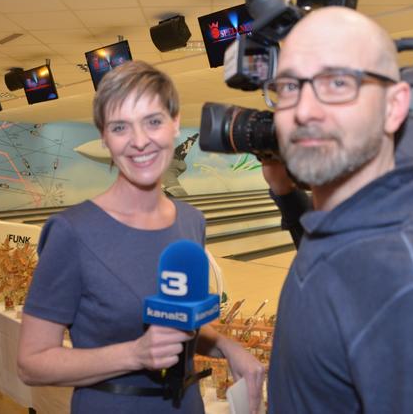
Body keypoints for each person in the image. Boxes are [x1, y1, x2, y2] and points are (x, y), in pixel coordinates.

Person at [260, 7, 413, 413]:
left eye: (338, 82)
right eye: (290, 86)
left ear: (393, 106)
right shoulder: (340, 228)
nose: (304, 110)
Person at [17, 61, 265, 414]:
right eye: (120, 127)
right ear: (105, 137)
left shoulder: (191, 221)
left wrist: (226, 346)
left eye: (153, 121)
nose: (139, 141)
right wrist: (133, 354)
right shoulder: (72, 232)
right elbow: (31, 363)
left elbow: (180, 323)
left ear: (175, 123)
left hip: (186, 405)